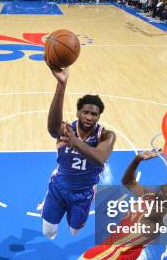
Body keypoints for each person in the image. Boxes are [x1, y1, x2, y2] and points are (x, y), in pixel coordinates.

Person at [67, 151, 167, 260]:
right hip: (129, 249)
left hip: (115, 251)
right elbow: (128, 181)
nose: (165, 187)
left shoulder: (158, 217)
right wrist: (137, 159)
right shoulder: (152, 196)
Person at [42, 66, 116, 239]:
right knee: (48, 232)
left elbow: (100, 158)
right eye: (86, 112)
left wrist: (75, 142)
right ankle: (48, 203)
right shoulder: (66, 129)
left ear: (99, 117)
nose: (89, 117)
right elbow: (52, 128)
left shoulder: (106, 135)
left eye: (94, 114)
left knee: (75, 231)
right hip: (59, 187)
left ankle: (76, 212)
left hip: (83, 192)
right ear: (78, 113)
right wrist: (61, 84)